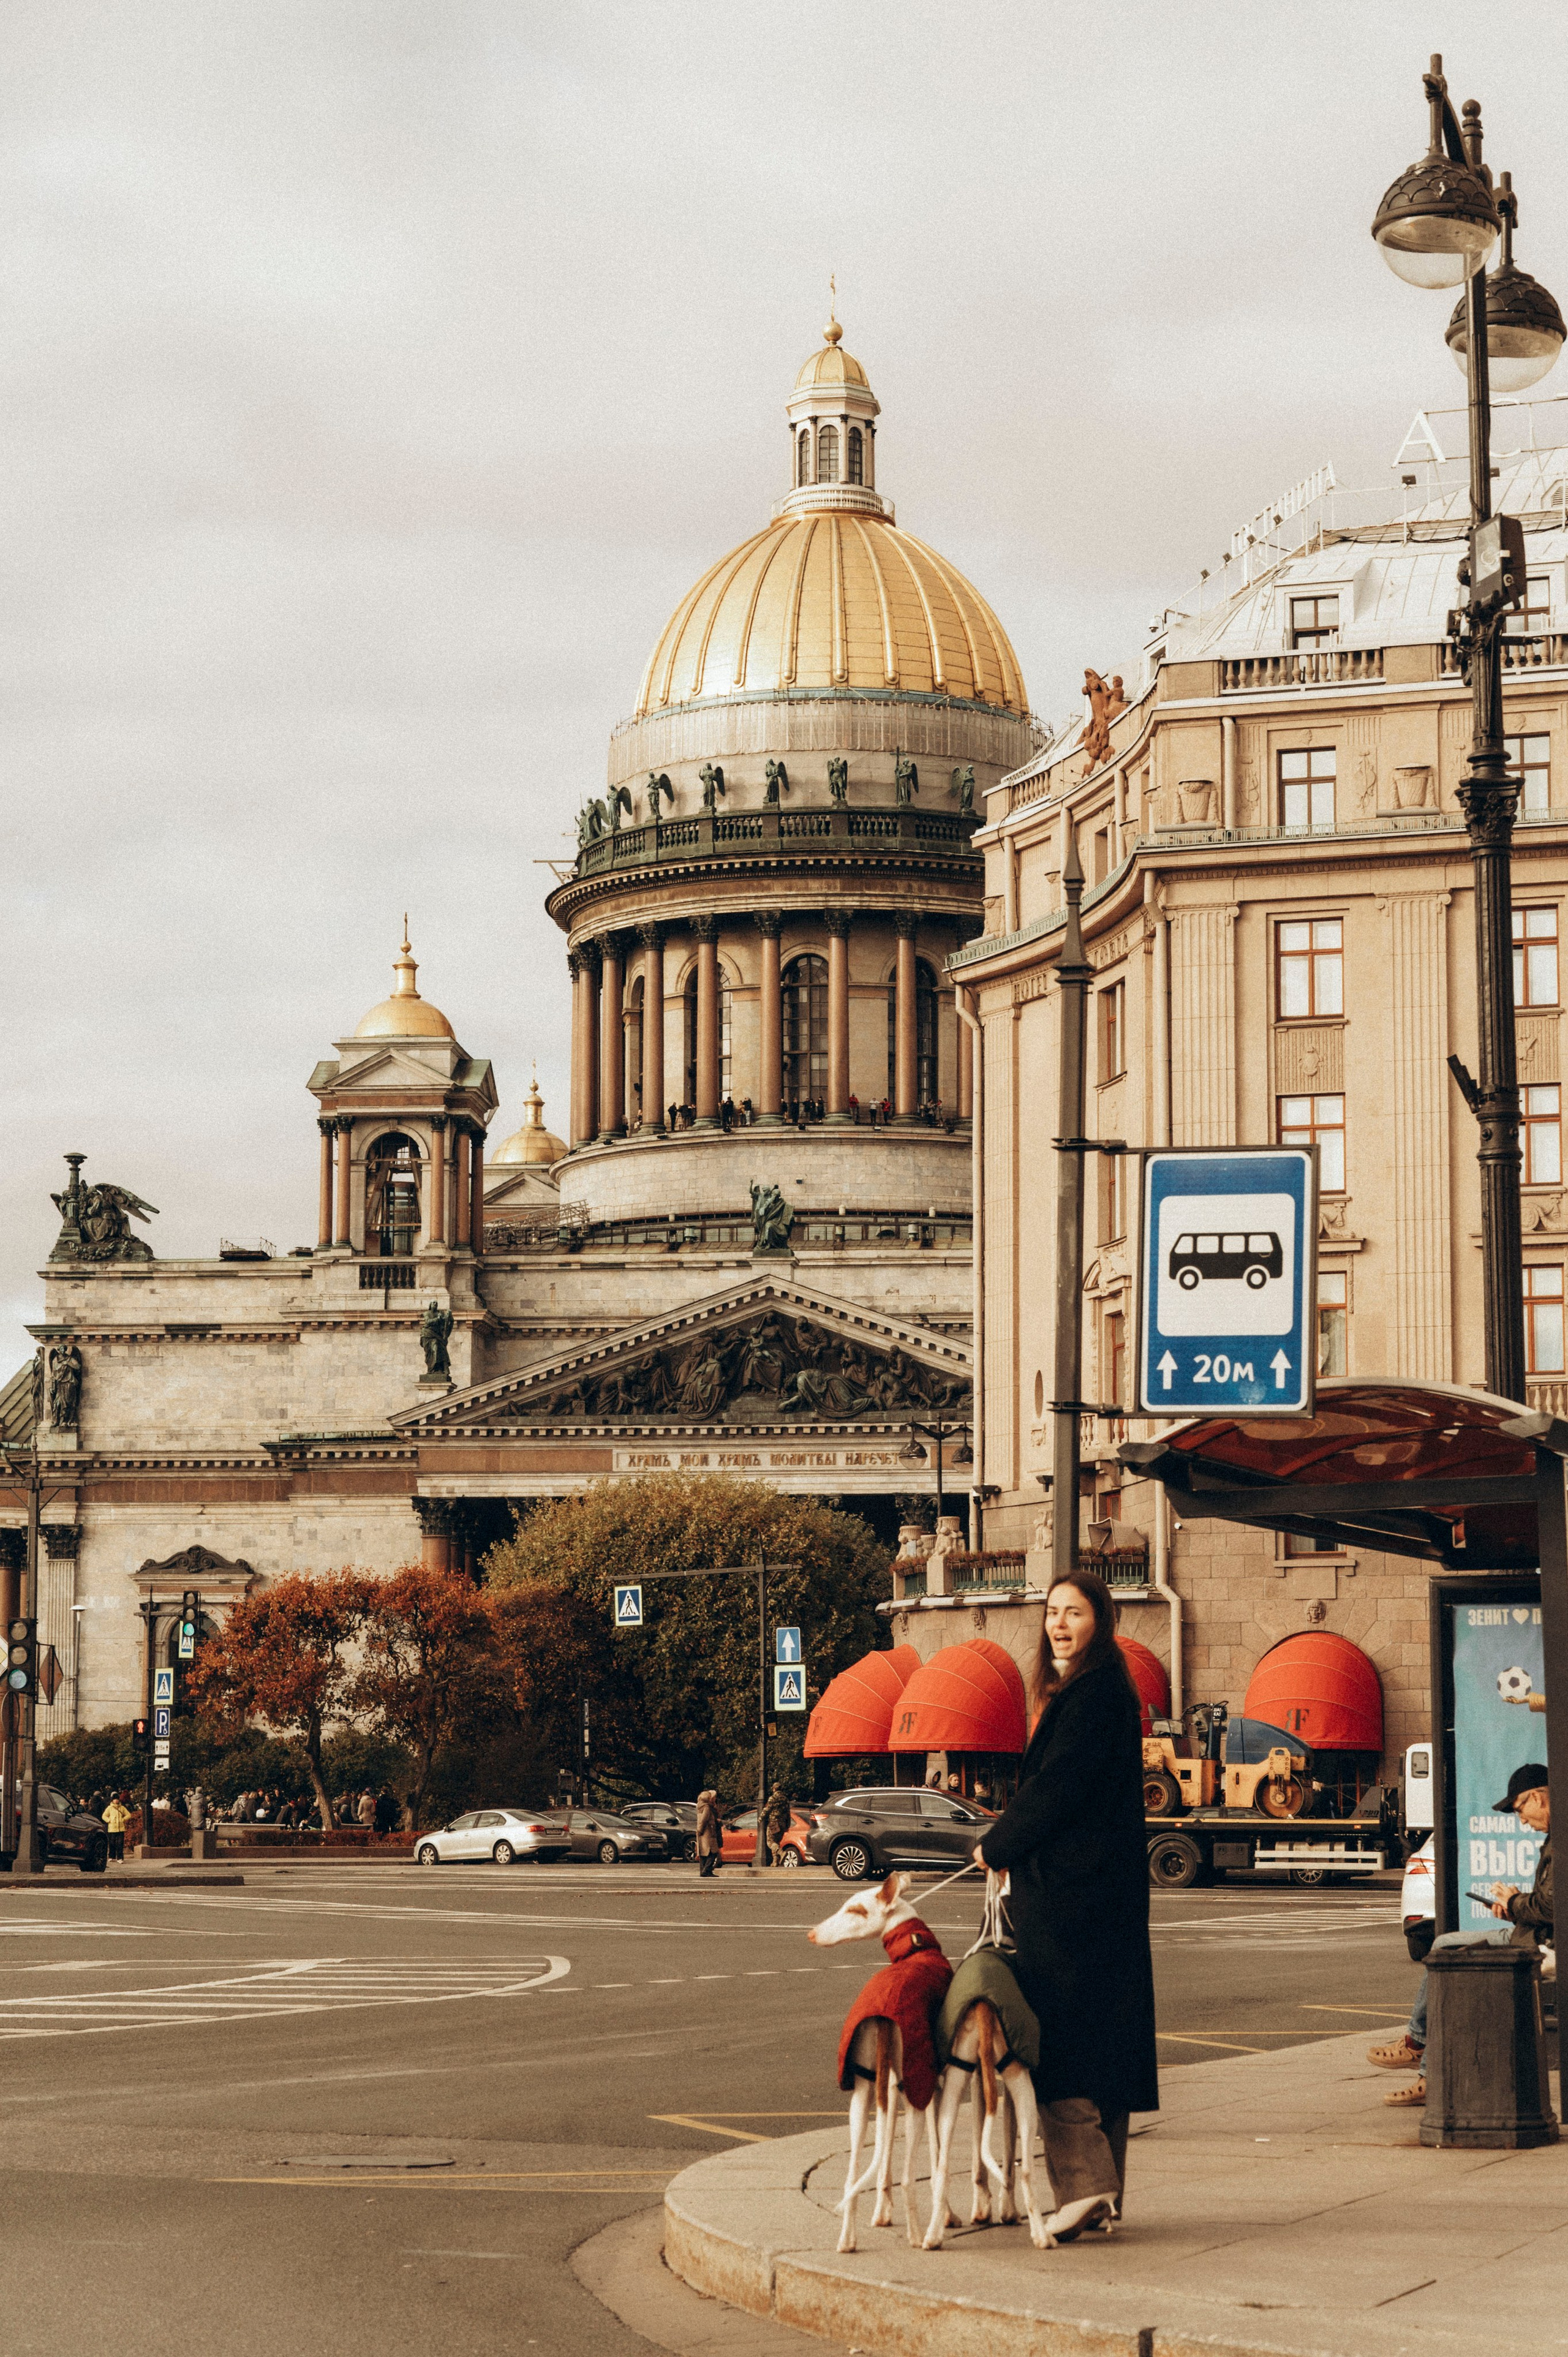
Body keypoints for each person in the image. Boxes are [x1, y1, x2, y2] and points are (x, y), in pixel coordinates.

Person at [975, 1568, 1158, 2241]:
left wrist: (997, 1843)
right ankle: (1104, 2192)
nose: (1058, 1622)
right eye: (1052, 1611)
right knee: (1107, 2038)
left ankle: (1085, 2186)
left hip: (1072, 1896)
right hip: (1101, 1893)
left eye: (1074, 1612)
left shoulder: (1089, 1694)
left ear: (1100, 1621)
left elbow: (1055, 1788)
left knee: (1056, 2033)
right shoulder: (1103, 1689)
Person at [1369, 1761, 1552, 2108]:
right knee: (1447, 1949)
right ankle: (1424, 2064)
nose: (1522, 1820)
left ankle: (1419, 2048)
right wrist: (1514, 1907)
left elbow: (1553, 1907)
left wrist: (1515, 1903)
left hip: (1541, 1944)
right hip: (1535, 1935)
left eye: (1520, 1810)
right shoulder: (1555, 1840)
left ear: (1539, 1799)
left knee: (1446, 1949)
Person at [761, 1784, 791, 1868]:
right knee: (776, 1842)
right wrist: (788, 1824)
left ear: (774, 1789)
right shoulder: (785, 1799)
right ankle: (775, 1862)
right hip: (783, 1823)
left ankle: (781, 1853)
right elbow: (788, 1812)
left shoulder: (772, 1798)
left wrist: (761, 1818)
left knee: (770, 1842)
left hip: (774, 1822)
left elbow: (767, 1809)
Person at [695, 1789, 722, 1877]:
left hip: (702, 1832)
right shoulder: (707, 1807)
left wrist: (699, 1830)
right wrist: (701, 1830)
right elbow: (704, 1820)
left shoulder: (700, 1806)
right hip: (708, 1832)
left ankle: (703, 1871)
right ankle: (706, 1870)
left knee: (703, 1852)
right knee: (714, 1852)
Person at [102, 1792, 130, 1863]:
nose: (116, 1801)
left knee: (120, 1843)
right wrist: (109, 1820)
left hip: (121, 1828)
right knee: (112, 1843)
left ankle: (120, 1858)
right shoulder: (109, 1808)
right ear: (112, 1800)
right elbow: (104, 1816)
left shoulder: (122, 1808)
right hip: (112, 1828)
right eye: (115, 1799)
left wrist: (123, 1819)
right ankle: (111, 1856)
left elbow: (128, 1815)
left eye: (117, 1799)